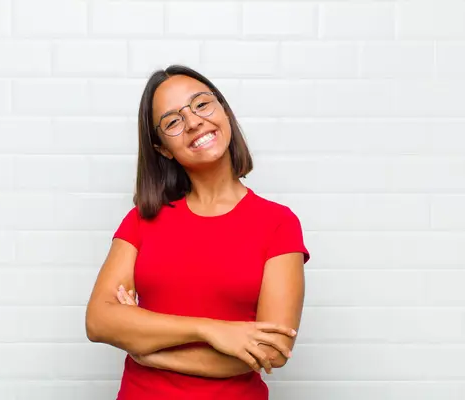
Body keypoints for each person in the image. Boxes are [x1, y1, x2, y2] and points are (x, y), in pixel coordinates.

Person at [85, 64, 310, 400]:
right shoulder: (142, 220)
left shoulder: (278, 223)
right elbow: (99, 321)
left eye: (202, 104)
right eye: (173, 121)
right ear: (162, 148)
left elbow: (272, 350)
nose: (193, 122)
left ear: (223, 112)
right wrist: (212, 330)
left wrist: (151, 349)